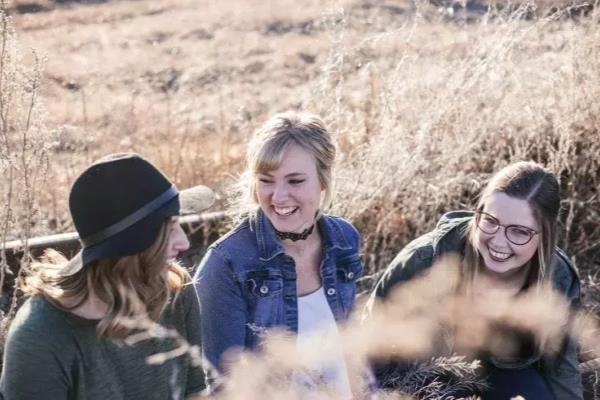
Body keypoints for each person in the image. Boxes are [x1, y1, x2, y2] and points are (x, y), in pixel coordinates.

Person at [0, 153, 215, 400]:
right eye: (170, 228)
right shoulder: (41, 337)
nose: (185, 242)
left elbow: (195, 393)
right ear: (130, 245)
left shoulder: (177, 289)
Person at [368, 161, 582, 399]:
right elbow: (370, 336)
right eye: (490, 221)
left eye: (519, 231)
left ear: (545, 235)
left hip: (504, 375)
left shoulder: (558, 278)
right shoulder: (425, 259)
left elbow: (562, 368)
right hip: (424, 372)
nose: (498, 242)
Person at [194, 111, 363, 396]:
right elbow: (222, 387)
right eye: (266, 180)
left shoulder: (344, 239)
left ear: (323, 179)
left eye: (295, 181)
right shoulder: (226, 263)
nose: (279, 196)